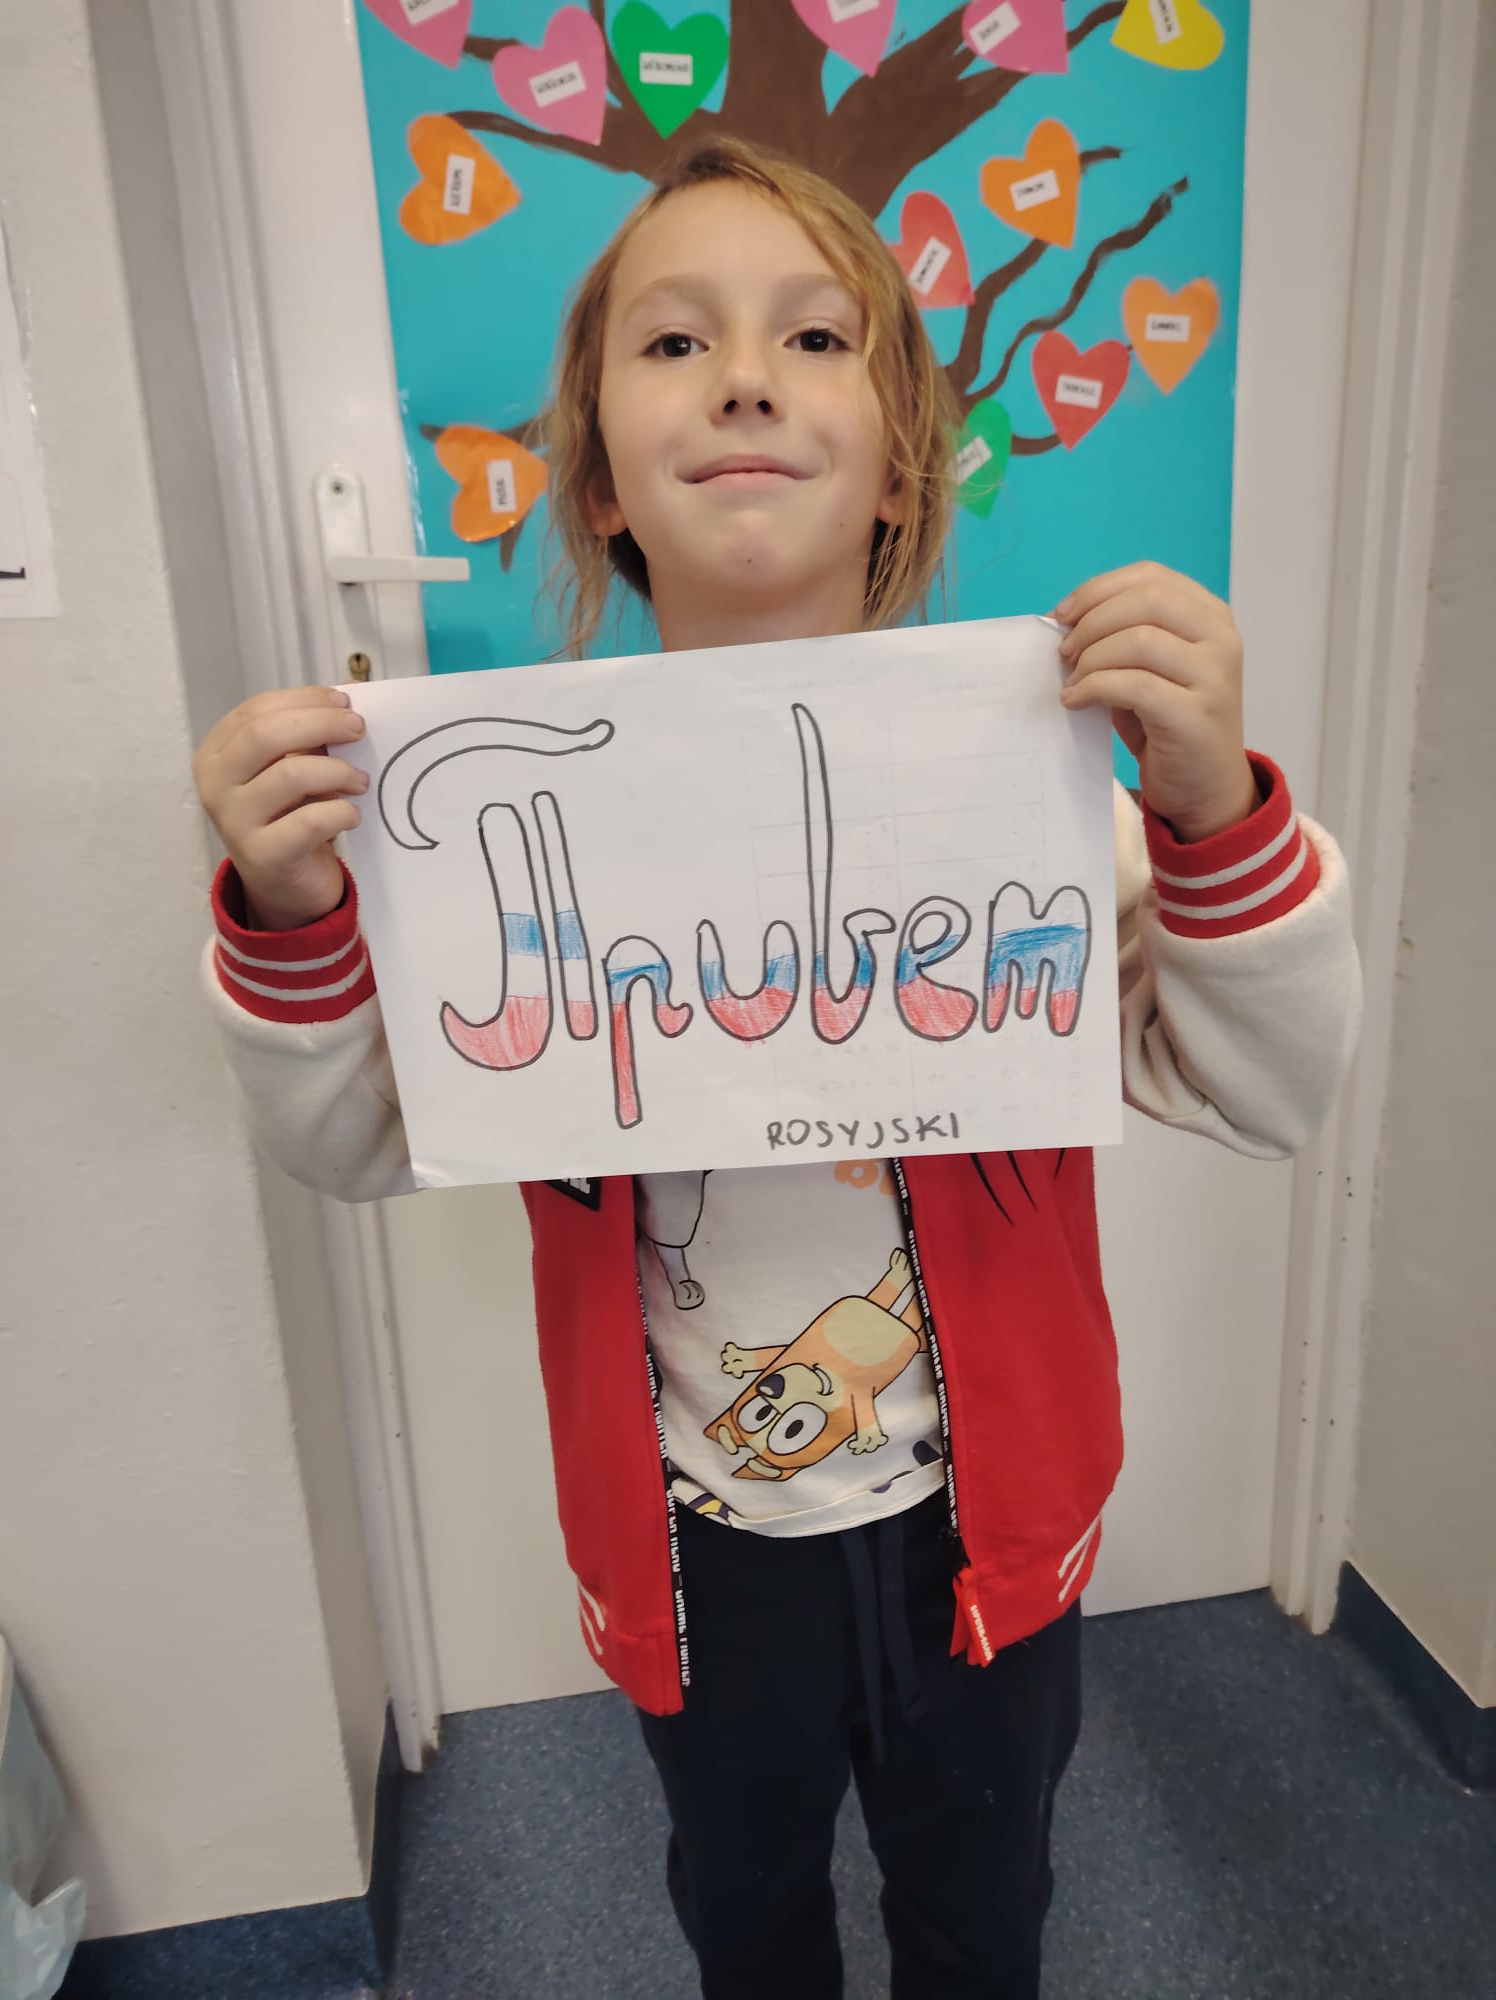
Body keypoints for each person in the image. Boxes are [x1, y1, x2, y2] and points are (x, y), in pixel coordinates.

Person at [191, 140, 1359, 1999]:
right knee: (744, 1919)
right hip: (693, 1552)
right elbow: (351, 1140)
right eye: (675, 343)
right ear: (599, 480)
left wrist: (1211, 812)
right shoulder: (494, 850)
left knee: (985, 1912)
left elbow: (1273, 1086)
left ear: (899, 464)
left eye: (814, 338)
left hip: (991, 1534)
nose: (743, 377)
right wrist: (292, 905)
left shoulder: (1042, 800)